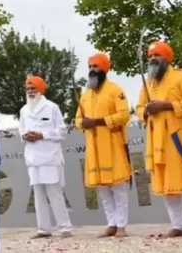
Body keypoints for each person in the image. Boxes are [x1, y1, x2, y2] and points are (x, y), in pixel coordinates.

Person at [136, 41, 182, 237]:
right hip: (156, 139)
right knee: (166, 184)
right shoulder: (148, 82)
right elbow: (139, 108)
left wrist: (167, 105)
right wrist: (146, 111)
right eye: (150, 56)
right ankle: (178, 225)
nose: (153, 59)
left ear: (168, 58)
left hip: (178, 137)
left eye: (157, 55)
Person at [75, 52, 132, 237]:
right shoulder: (85, 95)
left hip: (112, 144)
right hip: (94, 147)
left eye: (96, 66)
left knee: (118, 188)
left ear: (105, 68)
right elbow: (77, 119)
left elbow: (124, 115)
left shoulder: (116, 90)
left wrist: (98, 122)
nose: (92, 70)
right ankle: (111, 224)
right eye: (90, 67)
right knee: (103, 190)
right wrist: (83, 123)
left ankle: (121, 226)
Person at [18, 76, 72, 239]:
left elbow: (61, 132)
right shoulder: (24, 110)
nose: (30, 92)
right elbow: (21, 130)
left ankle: (65, 228)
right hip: (33, 158)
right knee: (38, 194)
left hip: (50, 157)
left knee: (54, 193)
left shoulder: (52, 107)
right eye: (28, 89)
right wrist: (25, 136)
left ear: (41, 90)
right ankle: (43, 229)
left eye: (33, 88)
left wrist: (42, 135)